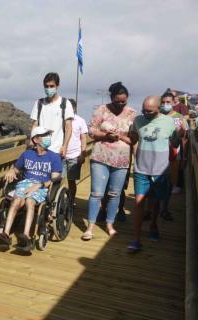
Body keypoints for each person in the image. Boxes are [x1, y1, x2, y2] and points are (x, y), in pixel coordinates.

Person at [0, 126, 62, 251]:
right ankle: (5, 234)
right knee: (17, 200)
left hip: (41, 186)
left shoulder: (54, 157)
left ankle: (27, 236)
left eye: (48, 135)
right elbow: (17, 169)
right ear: (36, 140)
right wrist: (11, 171)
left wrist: (39, 185)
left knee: (30, 201)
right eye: (45, 135)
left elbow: (55, 179)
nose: (48, 138)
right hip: (24, 184)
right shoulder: (27, 154)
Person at [127, 96, 184, 253]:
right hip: (141, 169)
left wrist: (180, 135)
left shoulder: (169, 122)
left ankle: (153, 225)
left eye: (150, 112)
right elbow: (133, 138)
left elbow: (175, 144)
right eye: (143, 110)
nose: (146, 114)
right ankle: (136, 239)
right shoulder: (138, 120)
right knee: (139, 203)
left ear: (159, 109)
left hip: (160, 170)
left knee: (156, 201)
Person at [81, 82, 136, 240]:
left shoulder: (132, 113)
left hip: (122, 160)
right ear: (111, 98)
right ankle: (90, 227)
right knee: (96, 193)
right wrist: (106, 136)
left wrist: (120, 137)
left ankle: (109, 224)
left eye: (123, 101)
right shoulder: (101, 110)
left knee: (114, 194)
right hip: (100, 157)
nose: (120, 104)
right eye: (117, 101)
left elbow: (134, 138)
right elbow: (91, 130)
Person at [157, 92, 188, 220]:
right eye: (163, 102)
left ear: (173, 102)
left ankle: (165, 209)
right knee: (154, 183)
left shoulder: (180, 117)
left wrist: (185, 156)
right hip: (156, 155)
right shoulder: (156, 115)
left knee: (169, 183)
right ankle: (150, 210)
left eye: (168, 102)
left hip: (173, 155)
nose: (165, 105)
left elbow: (185, 138)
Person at [30, 72, 74, 158]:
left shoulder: (65, 103)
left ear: (57, 86)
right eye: (46, 86)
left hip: (57, 151)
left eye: (51, 86)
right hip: (40, 149)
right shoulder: (39, 103)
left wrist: (65, 146)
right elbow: (35, 124)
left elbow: (68, 127)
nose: (48, 88)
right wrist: (32, 141)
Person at [64, 99, 88, 206]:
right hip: (61, 155)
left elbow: (83, 138)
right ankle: (58, 200)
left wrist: (82, 155)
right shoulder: (61, 119)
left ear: (74, 108)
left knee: (71, 181)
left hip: (74, 155)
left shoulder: (80, 120)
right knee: (57, 179)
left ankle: (71, 201)